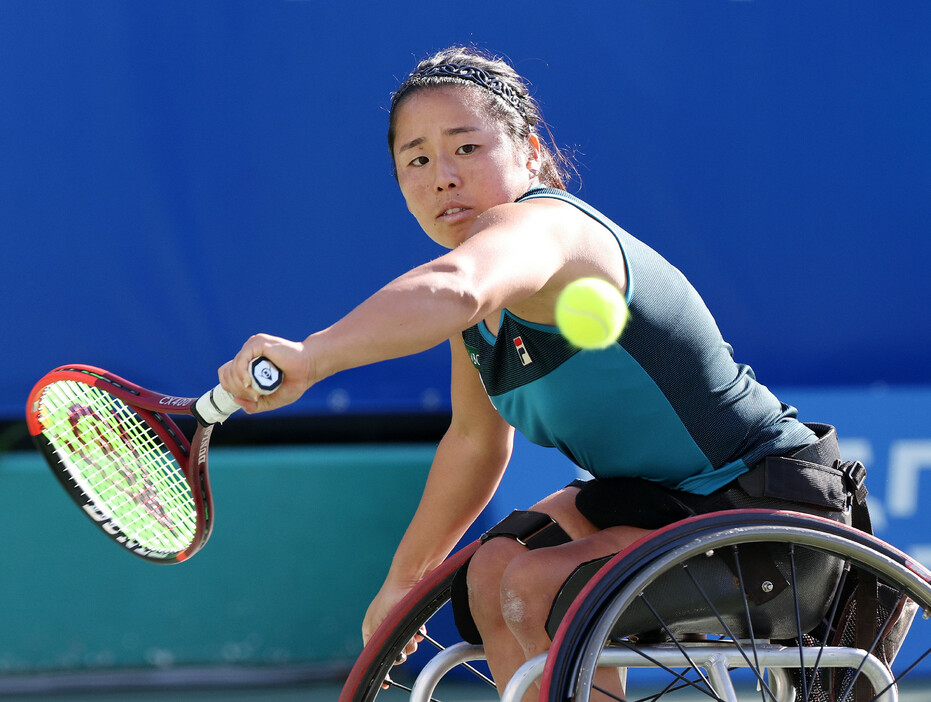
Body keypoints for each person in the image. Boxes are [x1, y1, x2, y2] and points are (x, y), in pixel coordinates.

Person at [219, 46, 854, 701]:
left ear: (527, 150)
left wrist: (312, 356)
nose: (441, 175)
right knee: (494, 568)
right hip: (652, 509)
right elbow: (473, 441)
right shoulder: (479, 315)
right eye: (416, 159)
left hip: (769, 515)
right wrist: (404, 579)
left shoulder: (546, 232)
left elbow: (456, 286)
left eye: (465, 148)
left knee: (532, 585)